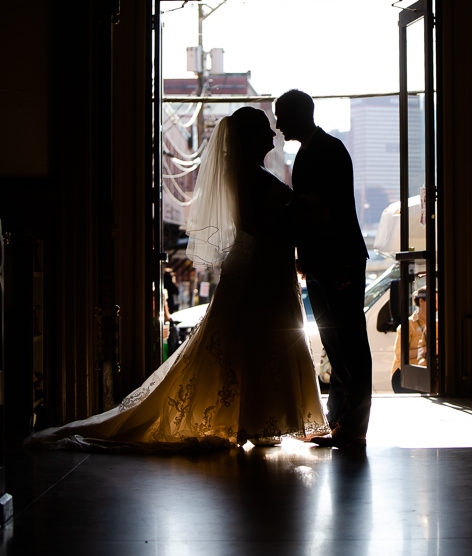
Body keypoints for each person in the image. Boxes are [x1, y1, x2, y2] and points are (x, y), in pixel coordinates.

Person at [28, 107, 327, 450]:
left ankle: (259, 420)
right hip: (258, 272)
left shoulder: (250, 173)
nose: (272, 136)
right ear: (248, 138)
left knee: (258, 344)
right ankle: (252, 420)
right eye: (264, 130)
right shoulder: (249, 176)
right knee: (253, 343)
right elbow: (256, 226)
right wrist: (297, 219)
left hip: (266, 270)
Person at [274, 89, 371, 448]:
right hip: (321, 261)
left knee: (350, 344)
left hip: (339, 259)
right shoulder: (311, 151)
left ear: (300, 114)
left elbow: (332, 213)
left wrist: (340, 264)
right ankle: (338, 420)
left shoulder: (328, 150)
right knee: (336, 343)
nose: (279, 124)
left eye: (282, 116)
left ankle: (354, 426)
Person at [391, 287, 427, 393]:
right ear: (421, 301)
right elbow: (399, 354)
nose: (437, 306)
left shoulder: (437, 323)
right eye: (435, 301)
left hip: (424, 375)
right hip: (405, 376)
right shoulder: (408, 325)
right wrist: (425, 350)